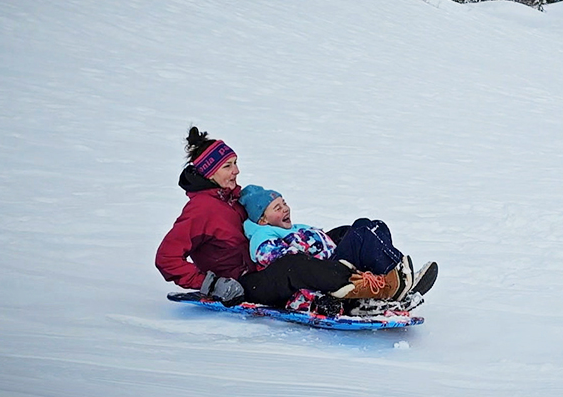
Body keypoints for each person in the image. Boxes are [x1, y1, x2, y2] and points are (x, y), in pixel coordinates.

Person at [154, 127, 406, 308]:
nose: (237, 170)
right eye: (228, 166)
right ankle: (352, 288)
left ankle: (386, 277)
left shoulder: (234, 197)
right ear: (210, 173)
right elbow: (166, 258)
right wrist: (212, 284)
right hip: (246, 284)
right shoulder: (200, 211)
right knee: (294, 265)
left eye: (235, 163)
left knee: (345, 233)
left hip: (267, 264)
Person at [239, 185, 420, 285]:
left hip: (333, 260)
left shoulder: (292, 228)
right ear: (262, 220)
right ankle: (397, 275)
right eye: (277, 208)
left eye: (284, 203)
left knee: (370, 225)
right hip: (328, 270)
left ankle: (397, 272)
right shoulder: (262, 236)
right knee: (363, 232)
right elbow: (284, 263)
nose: (285, 209)